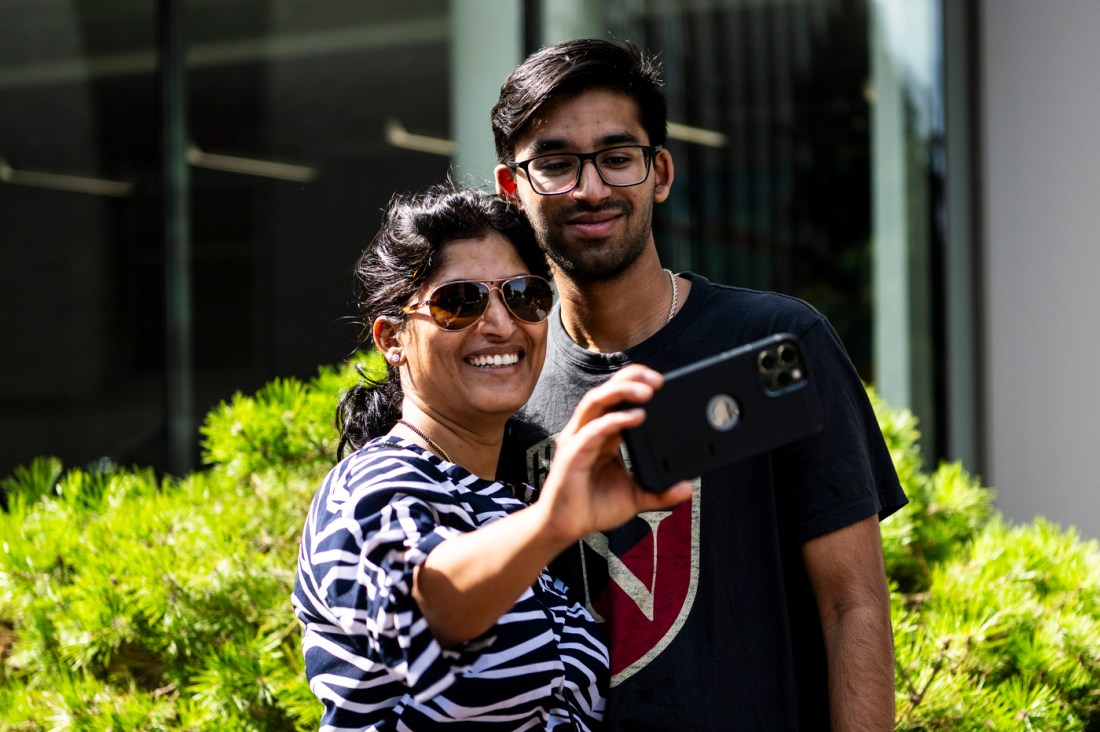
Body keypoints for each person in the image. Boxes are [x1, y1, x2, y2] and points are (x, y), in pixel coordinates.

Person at [491, 39, 908, 730]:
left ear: (659, 172)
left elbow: (853, 604)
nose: (591, 189)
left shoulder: (777, 343)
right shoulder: (510, 388)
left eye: (617, 158)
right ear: (513, 189)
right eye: (557, 165)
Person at [291, 184, 691, 730]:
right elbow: (432, 606)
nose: (501, 323)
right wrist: (554, 521)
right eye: (460, 301)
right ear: (392, 338)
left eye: (523, 295)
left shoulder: (506, 500)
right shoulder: (377, 483)